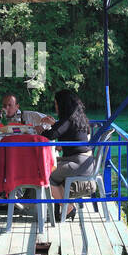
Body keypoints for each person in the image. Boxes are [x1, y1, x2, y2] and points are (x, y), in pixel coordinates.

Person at [34, 89, 93, 220]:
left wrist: (40, 130)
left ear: (62, 104)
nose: (55, 107)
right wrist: (54, 123)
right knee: (47, 165)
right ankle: (64, 205)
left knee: (46, 174)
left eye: (56, 104)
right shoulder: (78, 117)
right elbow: (66, 132)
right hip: (85, 160)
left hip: (79, 163)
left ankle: (68, 208)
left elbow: (51, 135)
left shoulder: (67, 119)